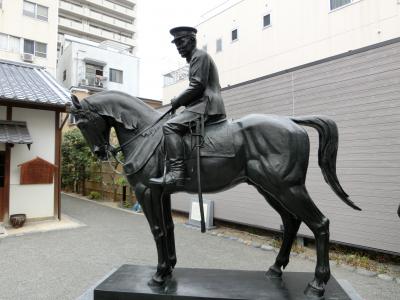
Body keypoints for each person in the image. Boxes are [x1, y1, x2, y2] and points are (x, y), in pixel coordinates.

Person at [149, 26, 226, 187]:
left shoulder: (200, 56)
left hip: (207, 104)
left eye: (181, 42)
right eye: (176, 44)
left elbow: (197, 85)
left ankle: (177, 173)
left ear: (192, 40)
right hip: (200, 103)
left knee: (169, 126)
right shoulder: (195, 59)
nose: (179, 47)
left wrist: (177, 100)